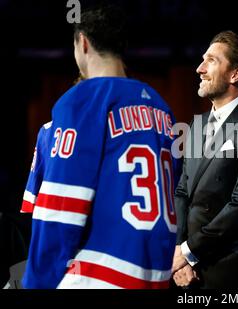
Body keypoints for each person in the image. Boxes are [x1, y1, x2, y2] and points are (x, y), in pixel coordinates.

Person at [21, 5, 178, 289]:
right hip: (156, 275)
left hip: (101, 273)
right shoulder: (160, 106)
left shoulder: (81, 100)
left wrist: (36, 282)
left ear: (83, 43)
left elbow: (60, 209)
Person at [171, 31, 238, 288]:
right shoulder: (196, 126)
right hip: (191, 272)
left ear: (234, 74)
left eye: (211, 61)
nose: (199, 69)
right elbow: (183, 191)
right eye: (202, 60)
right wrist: (179, 251)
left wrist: (187, 252)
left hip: (236, 274)